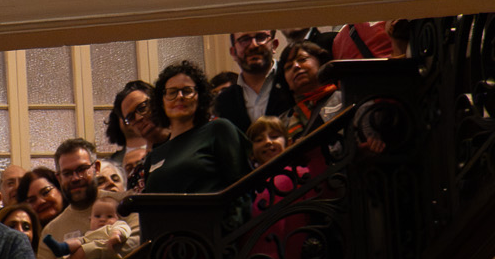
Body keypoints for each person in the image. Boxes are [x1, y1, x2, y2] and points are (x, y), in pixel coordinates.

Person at [138, 61, 251, 195]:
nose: (180, 97)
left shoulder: (218, 130)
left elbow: (242, 188)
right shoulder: (154, 156)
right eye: (172, 92)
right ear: (161, 102)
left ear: (200, 97)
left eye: (187, 91)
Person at [36, 139, 107, 259]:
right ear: (59, 178)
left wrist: (84, 253)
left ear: (96, 168)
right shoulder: (51, 231)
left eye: (81, 169)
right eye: (67, 173)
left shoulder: (124, 204)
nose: (75, 178)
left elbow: (138, 246)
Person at [212, 31, 292, 132]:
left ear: (274, 45)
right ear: (233, 52)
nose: (253, 45)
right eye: (244, 40)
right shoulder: (224, 101)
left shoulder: (294, 80)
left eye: (261, 37)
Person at [279, 39, 344, 140]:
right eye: (288, 67)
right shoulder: (281, 123)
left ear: (321, 62)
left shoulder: (345, 99)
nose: (296, 66)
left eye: (302, 59)